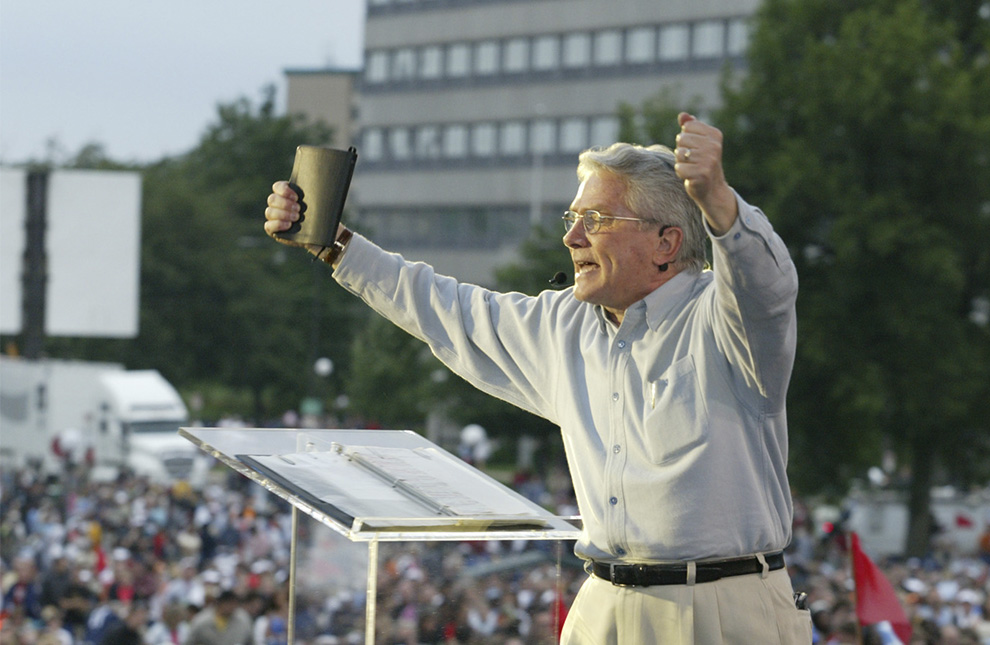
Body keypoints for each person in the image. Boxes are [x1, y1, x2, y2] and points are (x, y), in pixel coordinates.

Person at [264, 112, 810, 644]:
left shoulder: (728, 322)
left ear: (666, 244)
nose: (572, 238)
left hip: (717, 610)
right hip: (602, 604)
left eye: (595, 220)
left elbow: (767, 285)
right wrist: (334, 245)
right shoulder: (563, 324)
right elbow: (442, 307)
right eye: (571, 219)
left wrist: (718, 198)